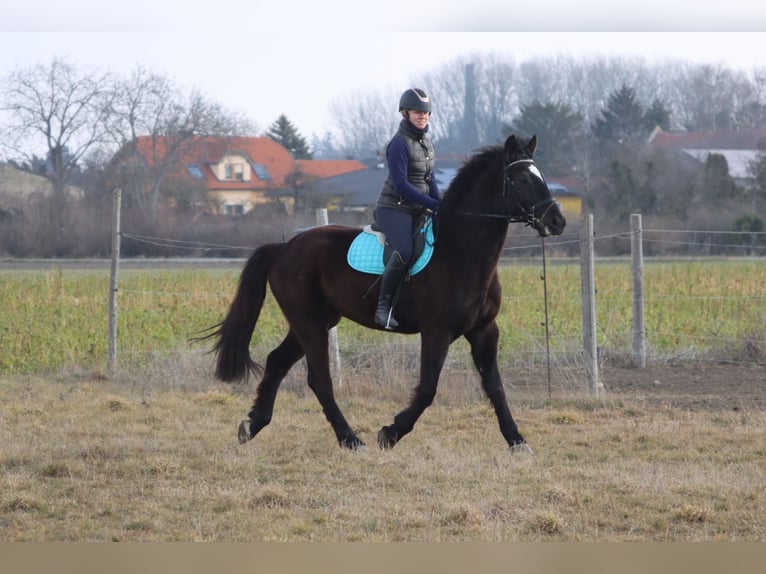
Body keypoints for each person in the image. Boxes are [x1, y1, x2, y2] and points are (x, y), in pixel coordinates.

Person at [373, 87, 442, 330]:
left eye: (425, 112)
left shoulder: (427, 143)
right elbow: (402, 185)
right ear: (405, 114)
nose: (422, 116)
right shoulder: (398, 144)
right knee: (405, 249)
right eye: (417, 112)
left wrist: (442, 204)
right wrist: (432, 204)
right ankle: (383, 308)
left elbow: (429, 178)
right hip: (394, 208)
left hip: (418, 207)